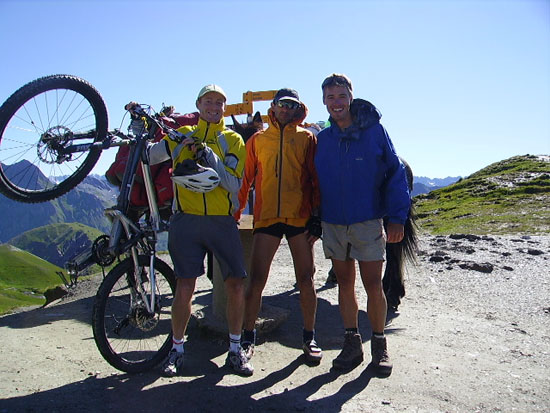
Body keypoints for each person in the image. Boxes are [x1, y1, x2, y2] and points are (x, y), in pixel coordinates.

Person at [144, 84, 253, 377]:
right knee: (185, 287)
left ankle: (235, 349)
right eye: (209, 101)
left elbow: (233, 184)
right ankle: (176, 350)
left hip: (221, 220)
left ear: (224, 108)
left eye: (219, 103)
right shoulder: (181, 136)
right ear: (198, 104)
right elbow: (150, 156)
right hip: (187, 220)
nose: (214, 107)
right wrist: (142, 127)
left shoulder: (233, 141)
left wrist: (208, 156)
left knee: (235, 285)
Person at [314, 74, 410, 377]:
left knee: (372, 284)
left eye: (341, 96)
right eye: (330, 97)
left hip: (367, 220)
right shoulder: (323, 139)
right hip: (333, 221)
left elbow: (395, 173)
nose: (336, 103)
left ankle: (379, 345)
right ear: (324, 101)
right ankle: (352, 342)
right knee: (345, 284)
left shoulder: (374, 132)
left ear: (350, 97)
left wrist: (397, 217)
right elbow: (314, 182)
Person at [236, 88, 322, 365]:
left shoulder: (307, 138)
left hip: (299, 218)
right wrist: (234, 213)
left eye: (292, 105)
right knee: (256, 281)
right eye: (282, 104)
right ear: (273, 106)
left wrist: (317, 216)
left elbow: (314, 178)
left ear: (298, 108)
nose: (286, 109)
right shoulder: (259, 140)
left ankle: (309, 337)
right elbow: (246, 178)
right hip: (268, 218)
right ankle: (248, 336)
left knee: (307, 281)